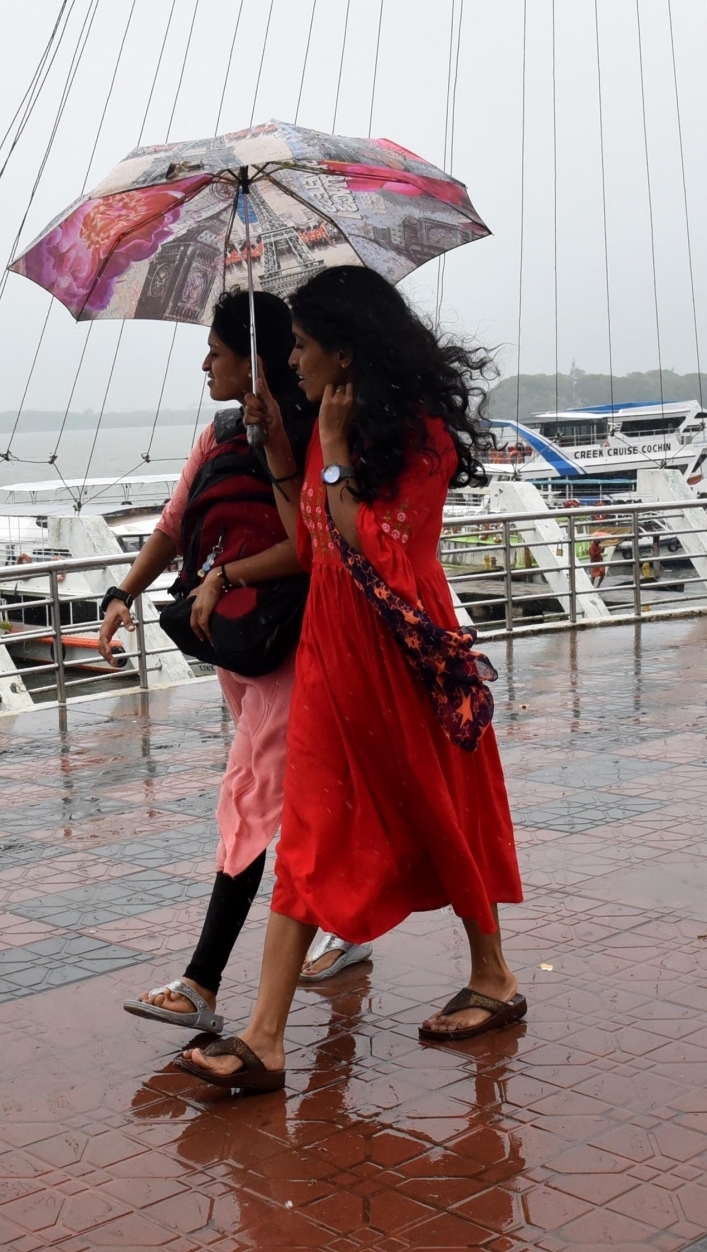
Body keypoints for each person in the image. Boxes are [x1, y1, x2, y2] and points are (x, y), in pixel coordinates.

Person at [177, 266, 526, 1094]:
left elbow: (380, 548)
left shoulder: (419, 434)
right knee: (307, 826)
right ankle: (264, 1036)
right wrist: (266, 484)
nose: (290, 360)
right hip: (335, 650)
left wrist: (330, 455)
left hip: (400, 652)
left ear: (343, 349)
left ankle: (496, 974)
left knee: (439, 806)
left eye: (299, 346)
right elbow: (312, 546)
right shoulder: (339, 421)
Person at [100, 292, 371, 1038]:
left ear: (250, 357)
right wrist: (123, 592)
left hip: (296, 642)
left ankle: (202, 981)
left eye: (216, 352)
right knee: (298, 796)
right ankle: (346, 928)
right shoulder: (219, 432)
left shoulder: (315, 432)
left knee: (249, 794)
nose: (204, 364)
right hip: (236, 647)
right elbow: (173, 524)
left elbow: (309, 546)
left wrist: (230, 569)